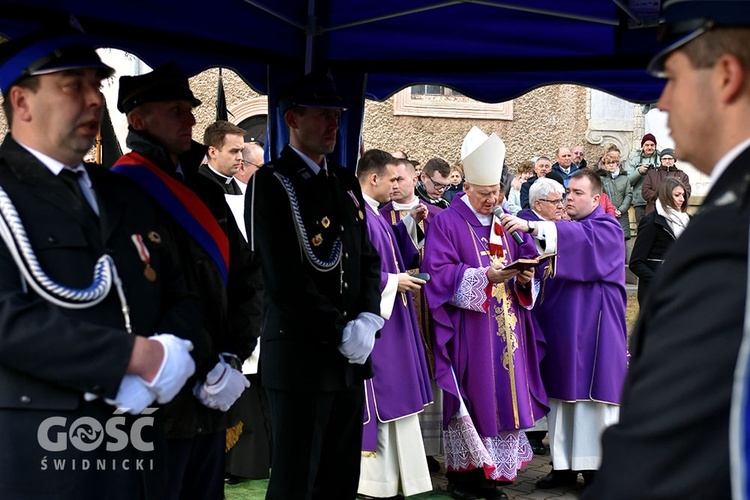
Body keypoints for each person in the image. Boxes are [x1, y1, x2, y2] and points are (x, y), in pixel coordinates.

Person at [0, 34, 198, 499]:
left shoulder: (122, 192)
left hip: (140, 437)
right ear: (21, 102)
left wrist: (172, 349)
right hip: (43, 447)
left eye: (96, 83)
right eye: (73, 85)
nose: (94, 99)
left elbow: (180, 287)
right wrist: (134, 359)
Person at [585, 4, 750, 495]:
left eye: (673, 77)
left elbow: (664, 453)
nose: (663, 99)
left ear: (725, 76)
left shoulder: (729, 235)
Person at [113, 62, 263, 500]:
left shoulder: (206, 190)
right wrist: (202, 361)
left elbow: (246, 275)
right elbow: (133, 300)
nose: (191, 119)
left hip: (212, 392)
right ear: (139, 119)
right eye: (176, 109)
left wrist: (234, 354)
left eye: (190, 108)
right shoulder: (121, 190)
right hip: (156, 400)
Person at [249, 72, 383, 500]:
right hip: (300, 355)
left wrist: (367, 316)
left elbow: (366, 256)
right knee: (296, 480)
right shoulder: (272, 182)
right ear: (292, 118)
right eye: (323, 115)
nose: (333, 125)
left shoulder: (343, 182)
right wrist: (338, 330)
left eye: (337, 116)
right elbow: (283, 277)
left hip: (347, 357)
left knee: (339, 479)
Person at [423, 128, 548, 500]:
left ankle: (493, 476)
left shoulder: (503, 219)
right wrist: (484, 277)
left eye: (496, 192)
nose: (492, 199)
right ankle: (465, 478)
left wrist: (525, 275)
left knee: (505, 398)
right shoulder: (447, 221)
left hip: (509, 328)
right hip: (470, 329)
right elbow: (439, 274)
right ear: (467, 188)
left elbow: (529, 261)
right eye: (484, 194)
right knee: (476, 395)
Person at [501, 169, 629, 490]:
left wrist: (532, 224)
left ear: (596, 199)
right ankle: (563, 466)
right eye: (568, 192)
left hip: (594, 334)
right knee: (561, 397)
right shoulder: (568, 229)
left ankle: (597, 470)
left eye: (577, 193)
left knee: (591, 401)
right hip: (564, 331)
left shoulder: (607, 228)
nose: (569, 197)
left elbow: (582, 243)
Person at [356, 149, 433, 498]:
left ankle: (401, 478)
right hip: (380, 324)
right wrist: (392, 283)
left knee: (399, 394)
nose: (397, 187)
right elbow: (357, 273)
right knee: (385, 393)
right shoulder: (359, 216)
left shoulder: (374, 216)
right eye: (393, 180)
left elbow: (389, 251)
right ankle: (376, 482)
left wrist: (407, 226)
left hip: (394, 320)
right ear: (374, 179)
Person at [379, 157, 445, 470]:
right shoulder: (379, 214)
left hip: (430, 301)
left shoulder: (437, 214)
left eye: (400, 180)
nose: (394, 186)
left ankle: (431, 448)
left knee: (433, 365)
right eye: (390, 180)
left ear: (414, 178)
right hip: (399, 300)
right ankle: (408, 447)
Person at [628, 177, 689, 305]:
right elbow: (636, 263)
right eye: (677, 195)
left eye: (683, 195)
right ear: (666, 195)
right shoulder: (651, 223)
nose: (682, 199)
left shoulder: (688, 220)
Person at [641, 147, 691, 214]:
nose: (667, 161)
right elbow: (645, 192)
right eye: (664, 159)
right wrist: (663, 196)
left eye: (670, 159)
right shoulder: (652, 174)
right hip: (654, 211)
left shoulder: (682, 175)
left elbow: (686, 193)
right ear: (661, 160)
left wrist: (671, 198)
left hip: (675, 212)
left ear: (674, 160)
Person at [200, 120, 245, 195]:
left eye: (241, 151)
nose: (240, 157)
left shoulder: (242, 187)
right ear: (212, 152)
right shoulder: (196, 188)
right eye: (234, 151)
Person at [599, 150, 633, 240]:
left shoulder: (625, 178)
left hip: (622, 215)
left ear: (617, 164)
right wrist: (613, 210)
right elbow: (602, 196)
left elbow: (628, 195)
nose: (611, 165)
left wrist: (621, 210)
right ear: (604, 165)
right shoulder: (601, 179)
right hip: (608, 214)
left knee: (622, 243)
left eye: (613, 162)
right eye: (608, 163)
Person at [627, 133, 660, 223]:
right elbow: (628, 181)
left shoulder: (661, 159)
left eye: (652, 145)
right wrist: (639, 171)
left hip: (657, 200)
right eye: (647, 145)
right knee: (641, 228)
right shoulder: (634, 159)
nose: (649, 147)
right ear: (642, 146)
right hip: (640, 201)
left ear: (655, 146)